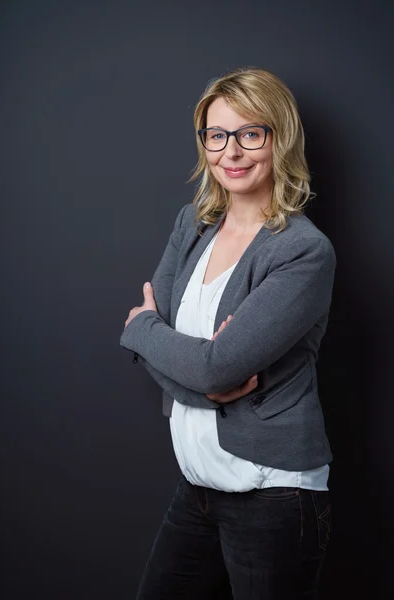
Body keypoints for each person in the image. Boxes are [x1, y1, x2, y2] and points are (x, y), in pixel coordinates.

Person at [120, 66, 336, 600]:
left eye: (249, 134)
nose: (231, 152)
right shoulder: (192, 223)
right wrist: (174, 353)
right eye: (216, 135)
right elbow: (193, 364)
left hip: (272, 493)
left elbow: (211, 364)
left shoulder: (302, 252)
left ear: (278, 139)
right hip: (198, 487)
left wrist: (141, 329)